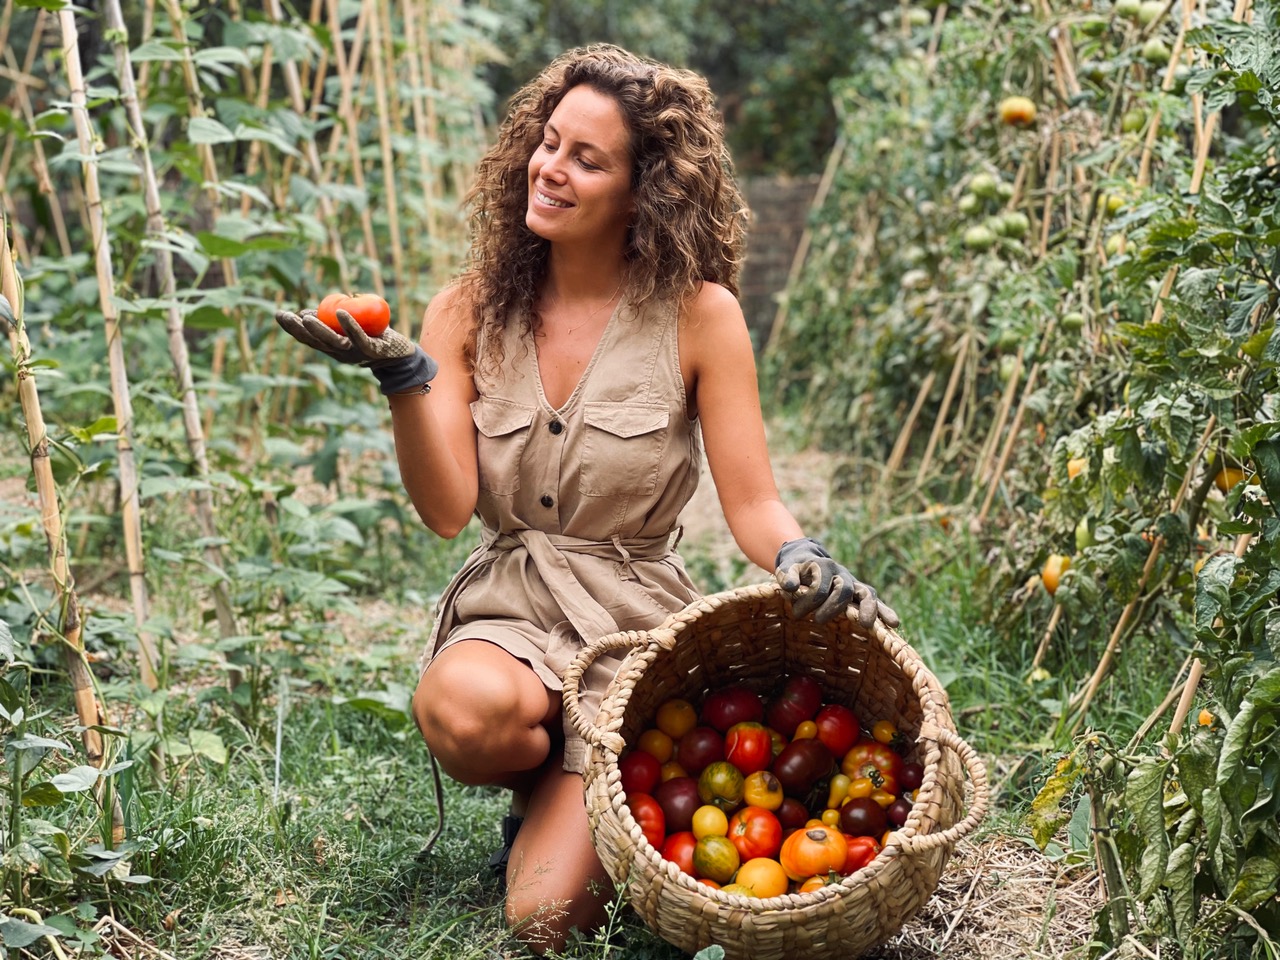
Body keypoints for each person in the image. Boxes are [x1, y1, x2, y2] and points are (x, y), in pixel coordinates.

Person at [276, 43, 897, 955]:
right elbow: (447, 510)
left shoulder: (699, 315)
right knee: (464, 711)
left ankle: (568, 796)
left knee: (542, 924)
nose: (551, 169)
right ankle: (547, 783)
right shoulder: (467, 309)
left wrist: (801, 556)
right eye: (549, 142)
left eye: (587, 159)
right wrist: (407, 380)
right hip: (513, 608)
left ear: (643, 192)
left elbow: (754, 502)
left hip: (631, 621)